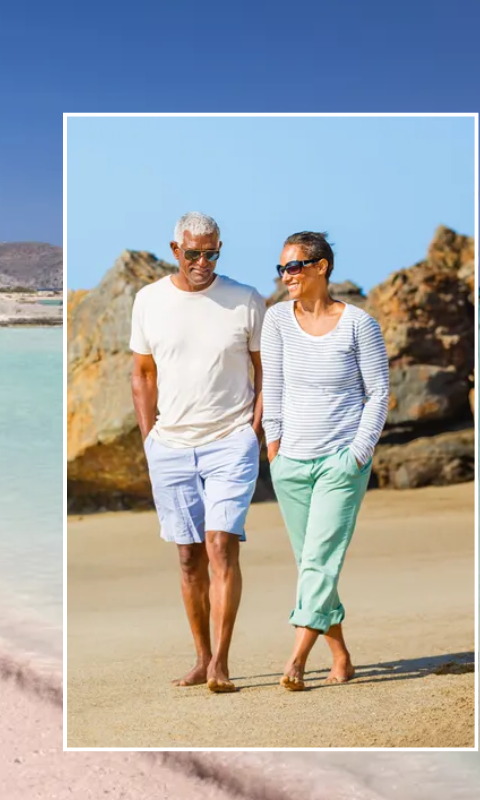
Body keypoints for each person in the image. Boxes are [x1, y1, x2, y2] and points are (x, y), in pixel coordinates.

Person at [129, 211, 266, 694]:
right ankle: (201, 657)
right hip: (169, 446)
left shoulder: (246, 301)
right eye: (193, 253)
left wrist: (255, 425)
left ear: (220, 249)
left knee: (220, 546)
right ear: (175, 250)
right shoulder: (149, 301)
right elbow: (143, 374)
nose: (202, 262)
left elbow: (265, 368)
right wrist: (150, 438)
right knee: (189, 558)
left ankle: (222, 663)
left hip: (230, 441)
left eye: (211, 253)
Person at [261, 232, 390, 692]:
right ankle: (341, 655)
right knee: (313, 564)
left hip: (340, 463)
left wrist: (358, 454)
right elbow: (271, 387)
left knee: (317, 561)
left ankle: (296, 659)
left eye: (293, 267)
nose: (285, 277)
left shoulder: (360, 324)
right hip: (291, 463)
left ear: (322, 267)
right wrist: (273, 448)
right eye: (281, 268)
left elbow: (378, 394)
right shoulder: (276, 320)